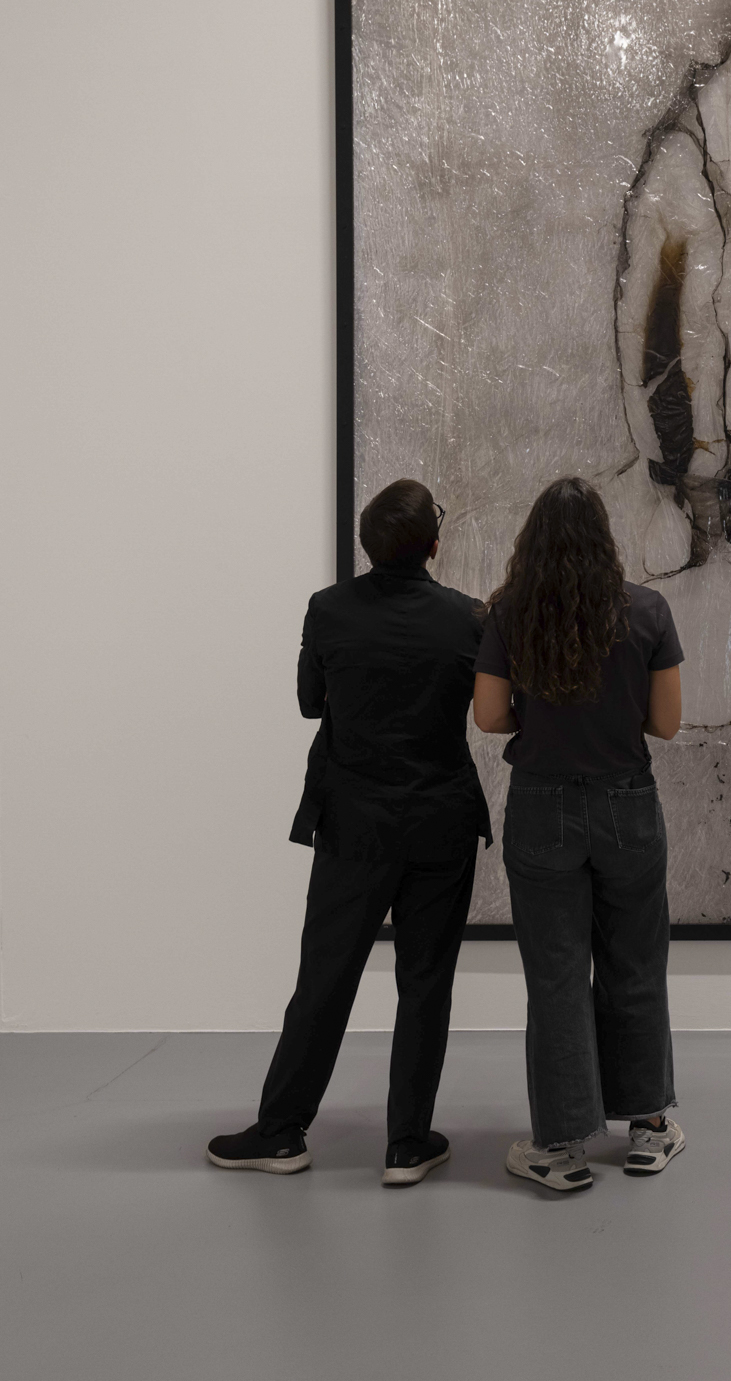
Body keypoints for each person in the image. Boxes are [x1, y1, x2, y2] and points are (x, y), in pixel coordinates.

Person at [206, 480, 490, 1186]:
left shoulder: (328, 609)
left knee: (325, 978)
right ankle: (408, 1145)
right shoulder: (468, 618)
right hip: (441, 821)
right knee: (426, 982)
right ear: (432, 545)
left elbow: (311, 703)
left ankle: (281, 1132)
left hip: (355, 823)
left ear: (368, 544)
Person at [474, 476, 685, 1193]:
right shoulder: (647, 611)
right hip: (627, 804)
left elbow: (488, 716)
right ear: (605, 537)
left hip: (542, 805)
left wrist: (539, 722)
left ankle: (560, 1147)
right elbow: (665, 724)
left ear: (532, 541)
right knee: (636, 965)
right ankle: (648, 1130)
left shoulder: (509, 613)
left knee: (557, 975)